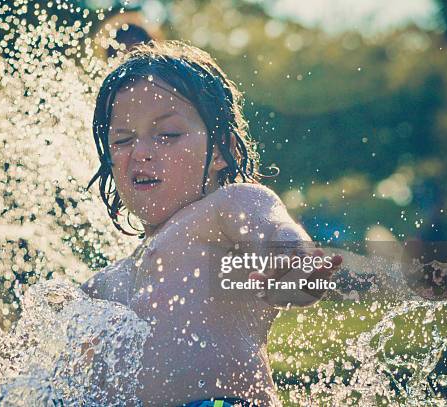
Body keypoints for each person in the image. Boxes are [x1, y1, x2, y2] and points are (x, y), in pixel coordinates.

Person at [82, 40, 341, 406]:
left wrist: (293, 263)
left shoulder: (225, 211)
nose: (141, 153)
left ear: (222, 151)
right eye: (123, 140)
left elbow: (273, 230)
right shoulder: (105, 285)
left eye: (167, 135)